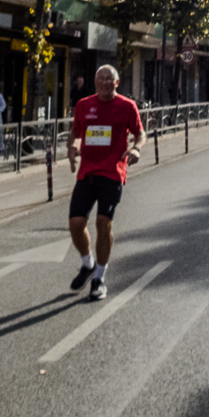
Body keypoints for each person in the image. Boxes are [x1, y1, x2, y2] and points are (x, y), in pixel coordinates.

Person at [67, 65, 146, 302]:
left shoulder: (127, 106)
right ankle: (87, 263)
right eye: (100, 79)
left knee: (103, 222)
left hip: (113, 173)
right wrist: (72, 148)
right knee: (76, 223)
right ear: (94, 81)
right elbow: (76, 134)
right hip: (87, 173)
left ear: (117, 83)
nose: (104, 83)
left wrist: (136, 149)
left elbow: (140, 134)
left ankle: (100, 277)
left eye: (108, 79)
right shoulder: (84, 105)